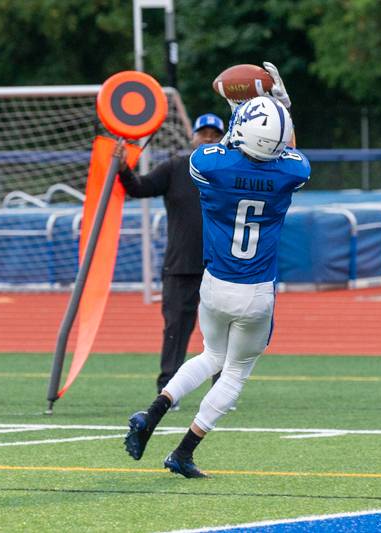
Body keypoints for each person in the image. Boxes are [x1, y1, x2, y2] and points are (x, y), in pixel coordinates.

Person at [123, 92, 309, 478]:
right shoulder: (290, 172)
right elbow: (289, 151)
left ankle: (152, 413)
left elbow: (224, 148)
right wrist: (283, 112)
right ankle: (183, 452)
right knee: (235, 372)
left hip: (214, 283)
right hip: (256, 291)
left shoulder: (210, 164)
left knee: (210, 356)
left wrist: (244, 113)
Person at [114, 113, 225, 405]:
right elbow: (139, 188)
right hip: (181, 264)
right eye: (204, 133)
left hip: (221, 264)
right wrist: (122, 167)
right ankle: (168, 390)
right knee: (176, 327)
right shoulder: (176, 167)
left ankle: (223, 389)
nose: (209, 138)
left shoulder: (231, 170)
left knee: (223, 328)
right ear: (193, 137)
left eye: (215, 134)